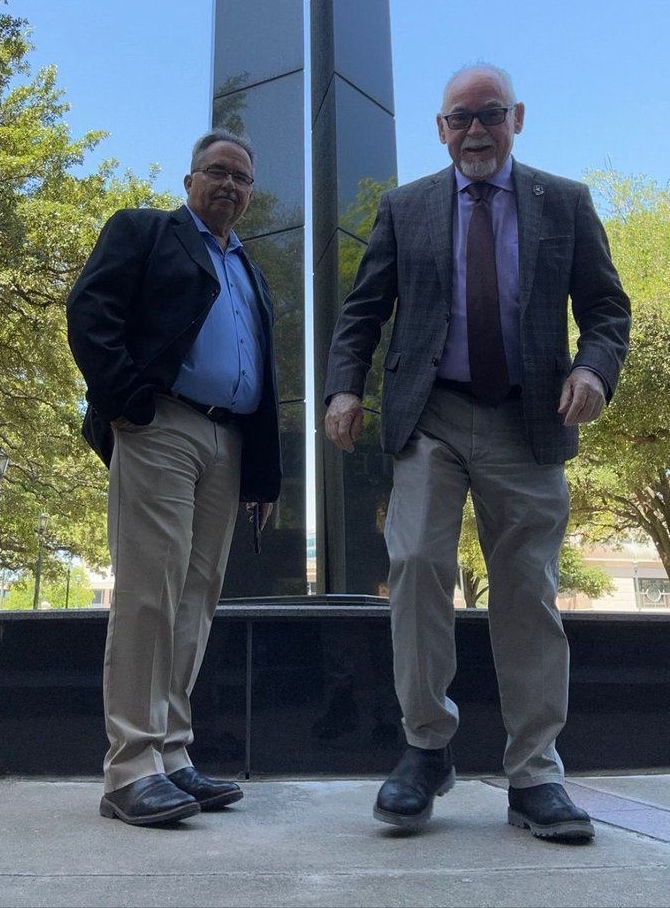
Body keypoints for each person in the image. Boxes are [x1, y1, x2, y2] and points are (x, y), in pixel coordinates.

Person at [324, 64, 630, 841]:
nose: (474, 131)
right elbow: (364, 309)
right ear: (440, 129)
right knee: (419, 566)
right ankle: (426, 748)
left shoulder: (564, 202)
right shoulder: (407, 206)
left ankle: (535, 775)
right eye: (459, 119)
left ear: (516, 118)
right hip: (429, 415)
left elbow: (605, 308)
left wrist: (594, 368)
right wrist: (343, 388)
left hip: (526, 422)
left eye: (489, 115)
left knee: (526, 590)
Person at [66, 129, 281, 827]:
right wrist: (129, 403)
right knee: (150, 594)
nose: (230, 185)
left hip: (230, 440)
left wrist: (262, 478)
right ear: (190, 181)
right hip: (162, 425)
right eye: (217, 172)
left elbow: (265, 376)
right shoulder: (145, 231)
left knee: (195, 601)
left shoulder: (250, 268)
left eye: (242, 178)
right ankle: (129, 768)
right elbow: (89, 312)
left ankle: (173, 754)